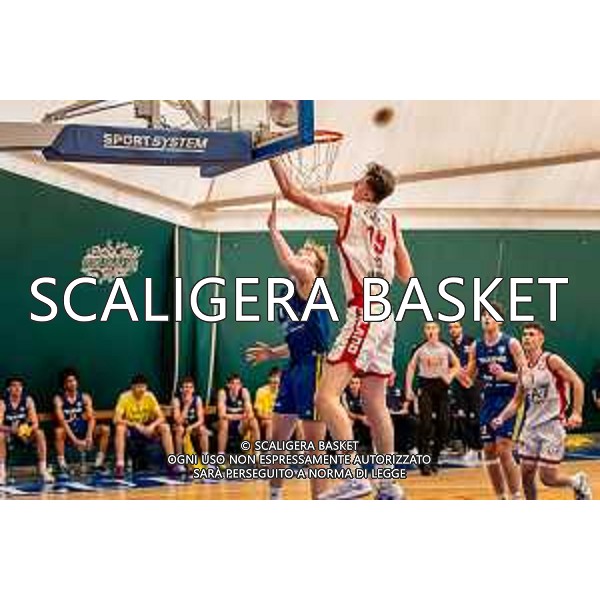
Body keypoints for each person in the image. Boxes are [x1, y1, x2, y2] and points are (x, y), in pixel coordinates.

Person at [270, 159, 414, 500]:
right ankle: (388, 484)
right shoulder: (392, 221)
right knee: (375, 403)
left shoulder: (348, 210)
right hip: (385, 313)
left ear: (368, 191)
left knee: (325, 397)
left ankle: (353, 477)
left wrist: (270, 155)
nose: (354, 185)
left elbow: (291, 192)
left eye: (359, 182)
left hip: (364, 311)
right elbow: (406, 274)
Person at [246, 198, 331, 499]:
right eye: (301, 252)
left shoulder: (311, 282)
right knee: (276, 440)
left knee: (313, 447)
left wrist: (273, 229)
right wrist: (273, 352)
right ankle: (275, 497)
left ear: (316, 269)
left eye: (309, 257)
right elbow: (297, 339)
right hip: (294, 366)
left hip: (315, 367)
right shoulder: (287, 293)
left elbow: (290, 263)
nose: (302, 257)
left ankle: (319, 501)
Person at [492, 323, 591, 500]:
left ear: (541, 339)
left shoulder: (551, 360)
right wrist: (501, 417)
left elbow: (577, 382)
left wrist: (576, 412)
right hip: (530, 427)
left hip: (552, 425)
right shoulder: (523, 368)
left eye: (531, 334)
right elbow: (517, 401)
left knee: (547, 478)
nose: (527, 338)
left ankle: (577, 482)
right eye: (524, 334)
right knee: (526, 475)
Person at [467, 302, 526, 499]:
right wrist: (451, 369)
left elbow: (526, 377)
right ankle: (500, 497)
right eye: (484, 315)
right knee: (488, 450)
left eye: (490, 315)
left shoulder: (511, 343)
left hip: (510, 399)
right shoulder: (476, 346)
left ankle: (516, 496)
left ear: (499, 320)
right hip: (488, 401)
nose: (486, 318)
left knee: (503, 449)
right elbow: (468, 379)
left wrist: (504, 375)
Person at [405, 322, 460, 474]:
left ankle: (435, 458)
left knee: (444, 423)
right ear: (425, 331)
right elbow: (411, 367)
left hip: (442, 387)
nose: (430, 331)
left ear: (438, 331)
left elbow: (456, 364)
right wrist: (408, 388)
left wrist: (450, 375)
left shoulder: (445, 348)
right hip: (426, 386)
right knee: (425, 425)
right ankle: (424, 462)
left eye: (433, 328)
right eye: (428, 328)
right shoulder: (420, 349)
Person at [113, 374, 178, 479]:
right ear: (132, 387)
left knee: (165, 427)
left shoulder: (149, 396)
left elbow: (161, 417)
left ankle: (172, 464)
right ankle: (120, 465)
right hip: (132, 429)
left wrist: (152, 426)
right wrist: (135, 425)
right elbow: (116, 419)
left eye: (143, 387)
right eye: (139, 387)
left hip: (147, 428)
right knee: (120, 428)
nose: (141, 389)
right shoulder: (124, 397)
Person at [53, 368, 110, 475]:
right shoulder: (59, 399)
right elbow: (62, 421)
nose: (73, 383)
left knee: (105, 429)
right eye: (69, 381)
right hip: (69, 432)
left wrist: (89, 436)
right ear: (64, 384)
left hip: (83, 430)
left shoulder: (85, 397)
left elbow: (92, 418)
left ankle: (98, 464)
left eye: (74, 380)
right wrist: (75, 440)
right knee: (59, 431)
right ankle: (62, 465)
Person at [0, 376, 54, 484]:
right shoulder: (2, 403)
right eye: (14, 386)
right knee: (0, 436)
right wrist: (11, 429)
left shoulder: (28, 400)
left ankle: (43, 470)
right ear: (8, 389)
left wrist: (23, 431)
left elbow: (35, 423)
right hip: (8, 433)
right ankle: (1, 473)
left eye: (20, 386)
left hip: (24, 433)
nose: (17, 388)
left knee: (39, 433)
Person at [447, 321, 481, 463]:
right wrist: (458, 375)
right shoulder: (448, 346)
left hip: (473, 385)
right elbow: (449, 367)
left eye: (456, 327)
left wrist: (469, 376)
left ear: (461, 328)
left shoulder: (471, 342)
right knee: (462, 416)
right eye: (450, 328)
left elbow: (478, 361)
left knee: (476, 416)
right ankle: (471, 449)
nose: (453, 330)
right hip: (457, 386)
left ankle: (480, 448)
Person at [216, 374, 260, 454]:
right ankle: (221, 454)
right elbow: (221, 415)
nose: (235, 386)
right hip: (227, 424)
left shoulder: (244, 392)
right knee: (224, 422)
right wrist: (241, 416)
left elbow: (250, 414)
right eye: (233, 383)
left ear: (241, 385)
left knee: (254, 421)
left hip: (241, 425)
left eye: (238, 384)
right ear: (228, 385)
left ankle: (257, 452)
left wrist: (233, 416)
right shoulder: (223, 393)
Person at [171, 376, 209, 460]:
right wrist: (186, 406)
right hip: (180, 426)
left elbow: (201, 420)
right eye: (186, 387)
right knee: (180, 429)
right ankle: (179, 459)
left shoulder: (197, 399)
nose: (188, 390)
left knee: (203, 430)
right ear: (181, 389)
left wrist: (191, 427)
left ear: (193, 389)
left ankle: (206, 459)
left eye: (191, 387)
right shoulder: (176, 400)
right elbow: (178, 421)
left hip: (193, 425)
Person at [386, 371, 416, 454]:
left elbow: (406, 403)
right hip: (386, 415)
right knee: (388, 422)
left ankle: (411, 447)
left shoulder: (399, 388)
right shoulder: (381, 389)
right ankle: (390, 449)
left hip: (399, 413)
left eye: (391, 374)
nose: (390, 376)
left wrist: (404, 409)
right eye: (388, 374)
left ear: (395, 375)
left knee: (412, 421)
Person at [341, 376, 371, 451]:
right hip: (352, 417)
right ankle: (348, 448)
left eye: (357, 383)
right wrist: (361, 418)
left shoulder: (365, 394)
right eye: (352, 383)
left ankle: (374, 448)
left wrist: (367, 417)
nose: (354, 386)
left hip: (364, 416)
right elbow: (347, 412)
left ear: (360, 384)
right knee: (349, 422)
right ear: (349, 384)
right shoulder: (344, 395)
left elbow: (370, 410)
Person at [254, 367, 281, 442]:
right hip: (265, 420)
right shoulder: (261, 391)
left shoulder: (284, 392)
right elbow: (259, 413)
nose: (276, 380)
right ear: (269, 378)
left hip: (281, 420)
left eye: (278, 377)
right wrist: (272, 417)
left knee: (298, 422)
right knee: (270, 423)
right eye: (274, 377)